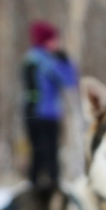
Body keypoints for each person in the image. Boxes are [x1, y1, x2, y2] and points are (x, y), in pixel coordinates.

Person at [22, 21, 77, 188]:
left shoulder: (31, 58)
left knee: (38, 154)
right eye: (54, 39)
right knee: (49, 155)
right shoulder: (45, 61)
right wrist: (65, 62)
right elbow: (70, 81)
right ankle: (51, 190)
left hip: (33, 112)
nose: (57, 43)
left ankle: (35, 187)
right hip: (45, 113)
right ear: (46, 41)